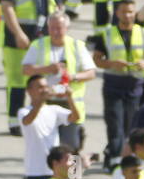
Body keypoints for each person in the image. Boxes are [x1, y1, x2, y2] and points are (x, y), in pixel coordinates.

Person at [89, 0, 144, 172]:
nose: (128, 15)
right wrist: (112, 63)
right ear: (117, 13)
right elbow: (96, 60)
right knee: (115, 123)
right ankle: (115, 160)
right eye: (124, 12)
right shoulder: (107, 34)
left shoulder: (143, 33)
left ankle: (123, 157)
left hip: (135, 85)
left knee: (130, 125)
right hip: (114, 84)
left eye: (131, 11)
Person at [0, 0, 55, 136]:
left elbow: (55, 4)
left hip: (41, 38)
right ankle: (15, 121)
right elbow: (7, 8)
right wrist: (18, 33)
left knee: (39, 81)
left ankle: (36, 116)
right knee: (17, 81)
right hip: (18, 40)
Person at [22, 11, 95, 151]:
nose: (56, 32)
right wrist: (47, 69)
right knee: (47, 146)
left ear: (66, 28)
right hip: (45, 102)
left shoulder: (77, 46)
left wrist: (73, 77)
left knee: (72, 148)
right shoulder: (38, 45)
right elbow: (25, 69)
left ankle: (74, 173)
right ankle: (49, 173)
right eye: (52, 28)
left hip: (70, 103)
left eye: (59, 28)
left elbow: (91, 73)